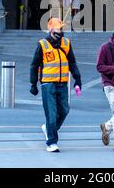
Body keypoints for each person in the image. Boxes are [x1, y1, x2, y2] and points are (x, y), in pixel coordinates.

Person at [29, 18, 82, 152]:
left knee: (64, 110)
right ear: (51, 29)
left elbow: (72, 62)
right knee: (51, 114)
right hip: (47, 84)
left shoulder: (66, 43)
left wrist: (78, 79)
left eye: (61, 28)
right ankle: (51, 142)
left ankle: (48, 128)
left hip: (62, 83)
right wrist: (33, 84)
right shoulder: (42, 44)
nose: (61, 31)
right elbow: (34, 65)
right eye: (58, 28)